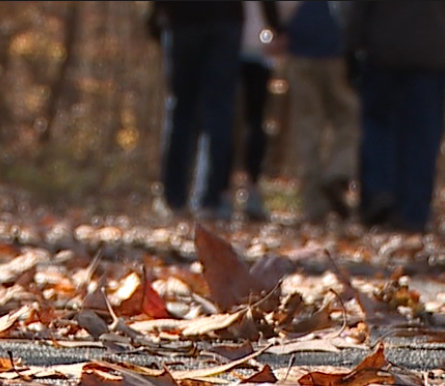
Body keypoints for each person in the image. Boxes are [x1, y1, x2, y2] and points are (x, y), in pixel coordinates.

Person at [344, 1, 445, 233]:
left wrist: (351, 46)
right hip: (430, 51)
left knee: (379, 125)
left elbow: (358, 6)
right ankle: (412, 210)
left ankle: (379, 191)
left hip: (383, 48)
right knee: (422, 134)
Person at [150, 1, 282, 222]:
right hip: (224, 18)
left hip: (184, 18)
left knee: (182, 108)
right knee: (218, 111)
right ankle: (208, 199)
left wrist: (157, 13)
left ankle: (175, 199)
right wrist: (276, 24)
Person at [283, 1, 358, 224]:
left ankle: (314, 204)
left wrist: (280, 28)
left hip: (302, 46)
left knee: (308, 126)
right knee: (349, 118)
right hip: (335, 46)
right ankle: (338, 170)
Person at [234, 1, 283, 222]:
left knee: (249, 122)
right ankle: (246, 189)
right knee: (251, 121)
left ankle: (245, 189)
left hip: (244, 49)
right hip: (247, 49)